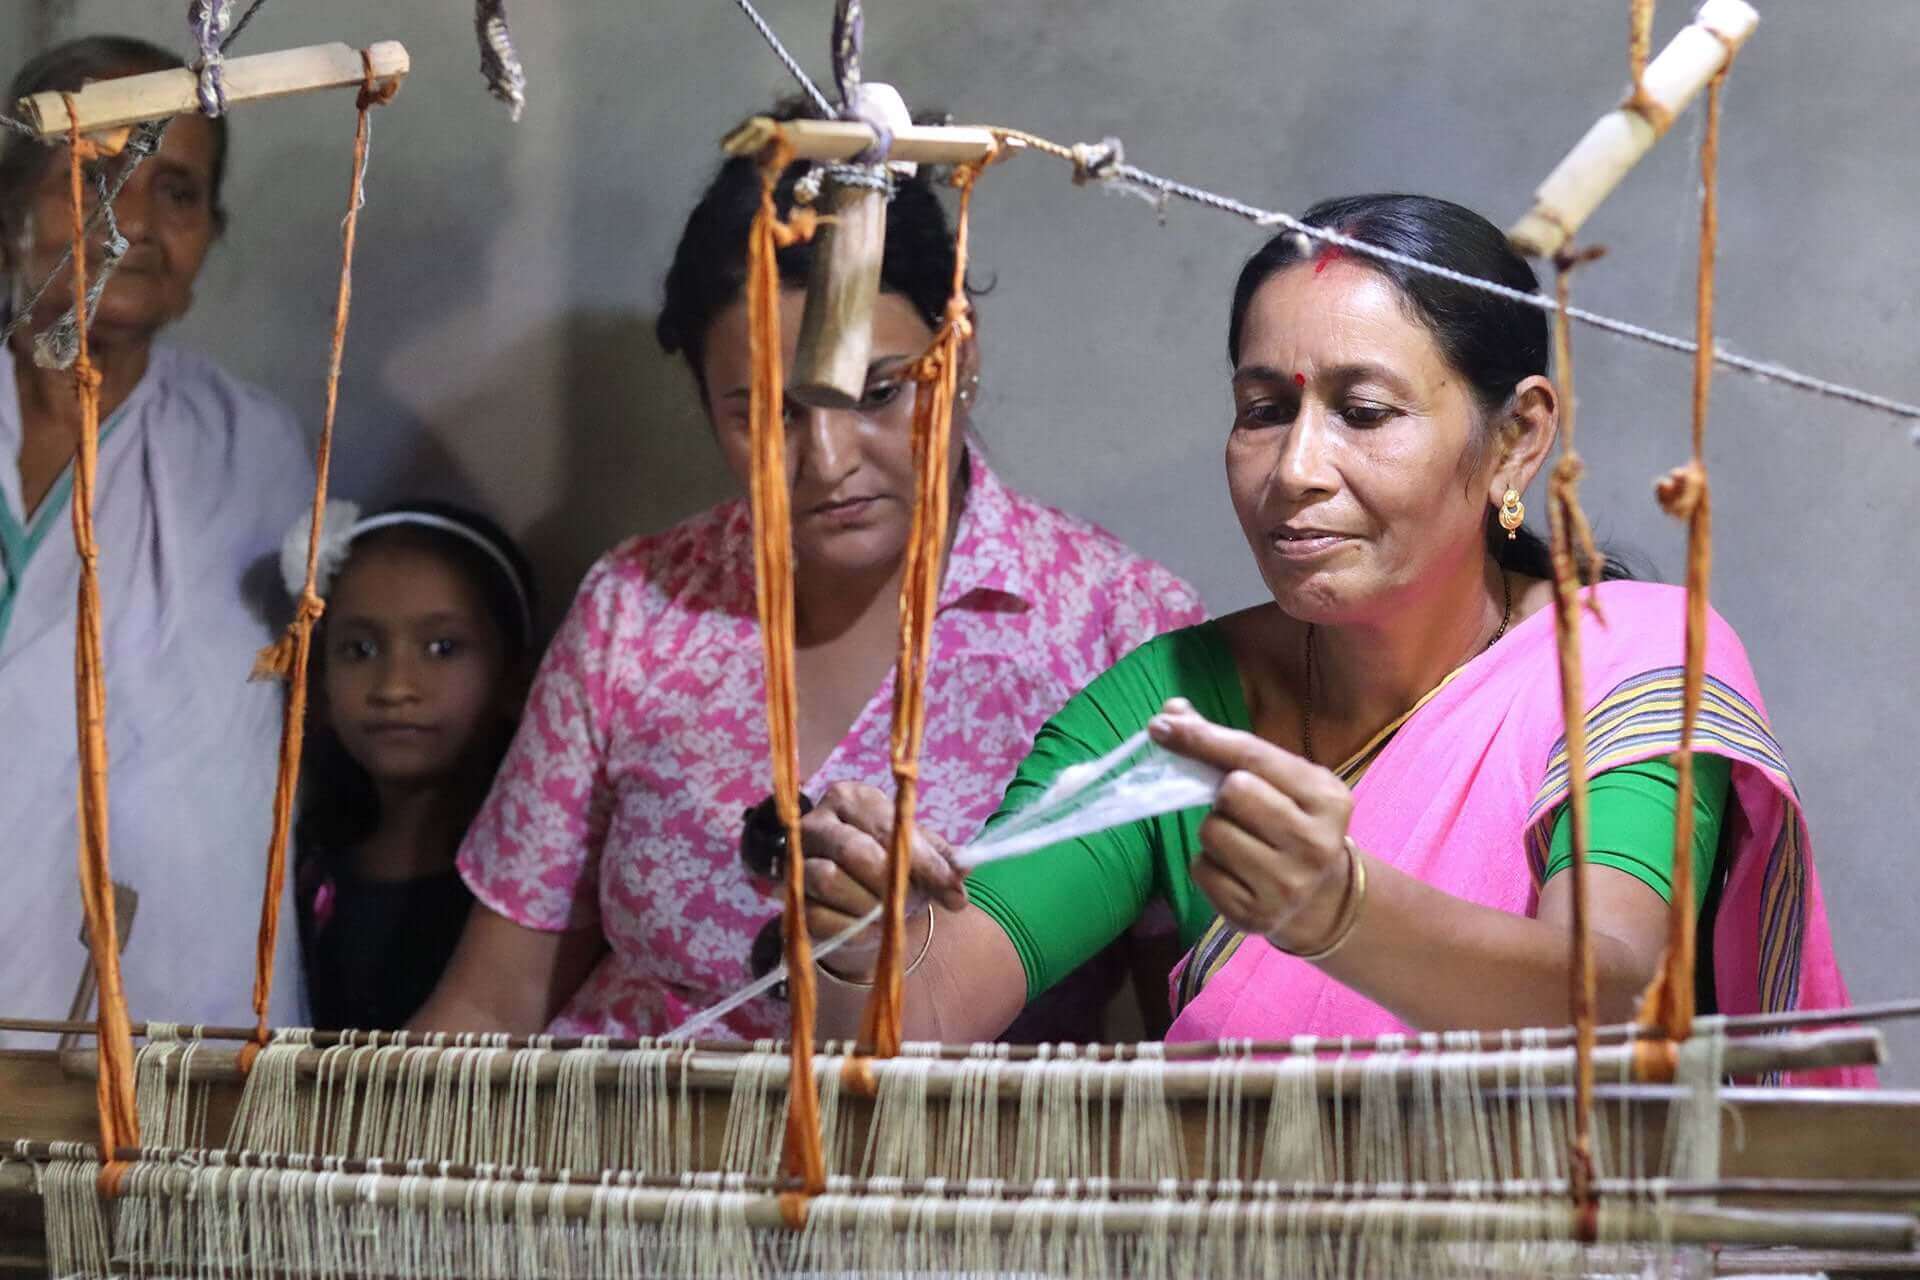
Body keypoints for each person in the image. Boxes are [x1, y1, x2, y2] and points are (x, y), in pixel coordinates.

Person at [798, 194, 1864, 1084]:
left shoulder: (1626, 660)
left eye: (1364, 410)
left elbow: (1618, 995)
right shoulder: (1173, 711)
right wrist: (857, 933)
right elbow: (918, 1019)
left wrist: (1347, 908)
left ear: (1516, 438)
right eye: (1265, 409)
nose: (1296, 468)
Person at [409, 120, 1206, 1043]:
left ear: (963, 346)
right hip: (618, 1161)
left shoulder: (1119, 630)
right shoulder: (639, 607)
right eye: (766, 414)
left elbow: (1185, 1031)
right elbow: (492, 1004)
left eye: (879, 393)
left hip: (941, 1173)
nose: (827, 462)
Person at [0, 36, 314, 1043]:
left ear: (210, 233)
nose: (131, 222)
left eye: (175, 189)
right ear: (11, 210)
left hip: (169, 1024)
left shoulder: (252, 449)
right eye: (92, 175)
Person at [292, 500, 538, 1031]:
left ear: (514, 678)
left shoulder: (526, 888)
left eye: (442, 647)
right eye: (359, 650)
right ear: (320, 683)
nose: (395, 686)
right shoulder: (311, 875)